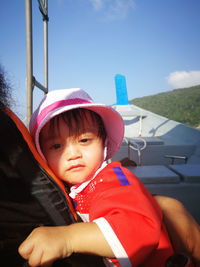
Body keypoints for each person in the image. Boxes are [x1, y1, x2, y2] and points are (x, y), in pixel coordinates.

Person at [19, 88, 174, 267]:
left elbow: (139, 231)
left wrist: (67, 238)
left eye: (84, 140)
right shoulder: (72, 187)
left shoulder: (116, 178)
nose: (73, 154)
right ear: (42, 154)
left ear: (104, 143)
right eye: (56, 146)